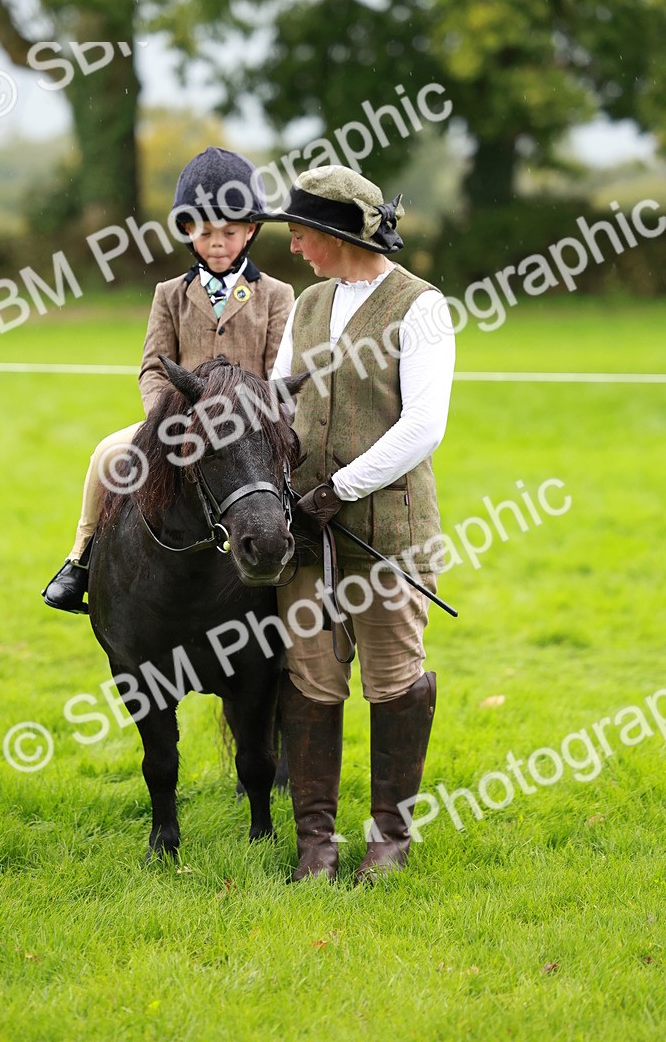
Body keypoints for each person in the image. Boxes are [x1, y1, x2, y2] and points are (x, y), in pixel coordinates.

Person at [258, 164, 456, 882]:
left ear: (339, 234)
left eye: (303, 234)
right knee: (310, 677)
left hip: (387, 533)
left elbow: (423, 426)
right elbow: (281, 401)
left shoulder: (422, 307)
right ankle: (316, 844)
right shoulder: (309, 305)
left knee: (395, 680)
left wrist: (338, 488)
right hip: (304, 533)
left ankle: (389, 841)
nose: (296, 248)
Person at [42, 147, 295, 613]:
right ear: (186, 230)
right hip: (180, 426)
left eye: (229, 232)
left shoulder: (277, 295)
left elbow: (279, 369)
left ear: (251, 231)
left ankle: (309, 577)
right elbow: (153, 368)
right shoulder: (169, 295)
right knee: (107, 455)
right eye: (205, 232)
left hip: (252, 429)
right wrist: (167, 422)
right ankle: (81, 559)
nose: (217, 243)